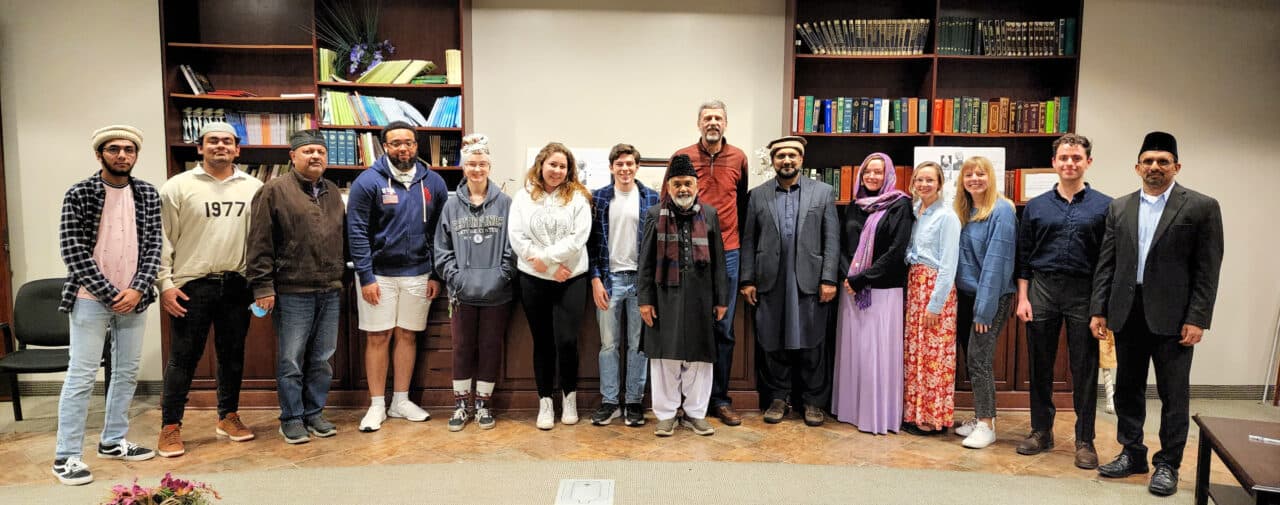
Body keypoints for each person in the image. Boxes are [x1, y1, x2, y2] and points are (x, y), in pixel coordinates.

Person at [1092, 131, 1223, 497]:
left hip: (1175, 318)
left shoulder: (1200, 207)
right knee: (1128, 390)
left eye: (1162, 161)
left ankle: (1167, 464)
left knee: (1173, 395)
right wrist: (1098, 309)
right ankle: (1132, 453)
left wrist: (1198, 318)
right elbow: (1108, 263)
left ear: (1176, 166)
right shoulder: (1119, 207)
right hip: (1126, 312)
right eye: (1148, 161)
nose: (1154, 167)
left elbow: (1207, 269)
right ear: (1137, 167)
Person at [51, 125, 162, 485]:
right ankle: (66, 456)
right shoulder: (80, 193)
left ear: (135, 155)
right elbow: (73, 252)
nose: (122, 155)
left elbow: (154, 248)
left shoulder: (146, 193)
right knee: (81, 377)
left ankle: (113, 441)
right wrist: (109, 292)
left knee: (126, 373)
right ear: (100, 154)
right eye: (113, 149)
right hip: (89, 299)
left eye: (129, 150)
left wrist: (136, 289)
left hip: (135, 298)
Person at [156, 121, 262, 457]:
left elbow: (260, 241)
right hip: (191, 286)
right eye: (212, 141)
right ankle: (170, 426)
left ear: (237, 149)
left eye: (227, 142)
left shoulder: (254, 187)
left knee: (232, 356)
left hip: (237, 285)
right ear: (199, 147)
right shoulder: (177, 187)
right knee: (183, 359)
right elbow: (162, 240)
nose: (220, 146)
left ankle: (228, 416)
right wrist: (165, 285)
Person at [1014, 133, 1111, 469]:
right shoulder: (1037, 206)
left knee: (1084, 369)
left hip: (1084, 293)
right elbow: (1024, 256)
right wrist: (1023, 298)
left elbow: (1106, 262)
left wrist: (1101, 307)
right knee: (1039, 366)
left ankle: (1085, 440)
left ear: (1088, 162)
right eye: (1064, 158)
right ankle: (1041, 430)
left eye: (1076, 158)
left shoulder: (1105, 206)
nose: (1070, 163)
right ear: (1054, 162)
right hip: (1042, 290)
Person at [347, 121, 449, 432]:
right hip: (378, 275)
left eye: (408, 142)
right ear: (385, 147)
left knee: (407, 334)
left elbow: (439, 232)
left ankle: (400, 401)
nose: (402, 148)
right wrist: (366, 277)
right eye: (395, 143)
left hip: (419, 274)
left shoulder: (434, 182)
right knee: (379, 336)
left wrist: (435, 274)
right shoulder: (367, 182)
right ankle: (377, 404)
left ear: (417, 146)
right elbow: (357, 232)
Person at [246, 130, 346, 444]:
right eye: (308, 151)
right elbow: (259, 243)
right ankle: (291, 417)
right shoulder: (273, 191)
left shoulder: (331, 190)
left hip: (330, 288)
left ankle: (314, 412)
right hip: (291, 291)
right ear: (292, 156)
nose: (315, 156)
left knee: (322, 358)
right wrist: (263, 287)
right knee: (291, 359)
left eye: (321, 151)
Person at [739, 136, 839, 427]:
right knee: (773, 342)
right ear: (773, 161)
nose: (787, 160)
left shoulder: (822, 192)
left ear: (801, 160)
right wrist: (747, 278)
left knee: (812, 344)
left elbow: (831, 239)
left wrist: (829, 278)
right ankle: (778, 398)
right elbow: (748, 241)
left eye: (792, 155)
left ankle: (813, 402)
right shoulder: (757, 195)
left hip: (809, 281)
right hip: (771, 281)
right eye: (781, 156)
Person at [637, 154, 729, 437]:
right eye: (677, 184)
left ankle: (695, 414)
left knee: (700, 359)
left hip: (701, 298)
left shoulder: (710, 215)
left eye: (688, 183)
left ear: (696, 185)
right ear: (668, 187)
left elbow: (719, 261)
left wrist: (721, 299)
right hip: (665, 297)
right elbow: (646, 262)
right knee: (665, 358)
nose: (683, 190)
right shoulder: (655, 215)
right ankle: (665, 414)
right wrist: (645, 300)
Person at [671, 100, 749, 427]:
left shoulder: (739, 158)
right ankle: (684, 402)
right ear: (699, 123)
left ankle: (719, 399)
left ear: (726, 124)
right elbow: (670, 200)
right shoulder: (683, 156)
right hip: (692, 251)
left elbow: (742, 203)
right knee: (687, 326)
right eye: (707, 118)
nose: (712, 122)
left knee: (723, 329)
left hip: (729, 252)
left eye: (718, 118)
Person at [433, 134, 516, 432]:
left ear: (490, 166)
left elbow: (513, 246)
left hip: (497, 292)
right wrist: (456, 278)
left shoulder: (506, 204)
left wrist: (502, 276)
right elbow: (441, 250)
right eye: (471, 164)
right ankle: (460, 404)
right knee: (462, 348)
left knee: (491, 347)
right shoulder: (451, 206)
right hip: (462, 294)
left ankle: (483, 405)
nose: (477, 169)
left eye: (482, 164)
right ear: (463, 167)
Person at [508, 142, 593, 430]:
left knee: (567, 341)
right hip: (533, 279)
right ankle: (545, 401)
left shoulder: (578, 198)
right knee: (542, 342)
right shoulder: (522, 197)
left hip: (571, 277)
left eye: (563, 166)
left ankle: (569, 397)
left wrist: (552, 264)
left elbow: (578, 238)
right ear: (541, 165)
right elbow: (517, 237)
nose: (557, 170)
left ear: (569, 170)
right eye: (552, 164)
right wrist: (541, 265)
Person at [831, 153, 913, 435]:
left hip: (882, 291)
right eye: (868, 172)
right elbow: (843, 245)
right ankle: (851, 411)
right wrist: (849, 277)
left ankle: (876, 415)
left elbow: (897, 251)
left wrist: (862, 278)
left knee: (875, 357)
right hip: (851, 290)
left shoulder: (900, 205)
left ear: (889, 174)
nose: (873, 177)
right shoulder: (854, 206)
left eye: (879, 172)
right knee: (855, 355)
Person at [588, 143, 660, 427]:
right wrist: (595, 278)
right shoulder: (599, 198)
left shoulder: (651, 197)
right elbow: (591, 244)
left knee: (638, 345)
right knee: (608, 345)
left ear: (637, 167)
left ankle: (633, 401)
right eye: (619, 164)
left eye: (630, 164)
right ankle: (609, 402)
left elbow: (656, 246)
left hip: (640, 282)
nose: (625, 169)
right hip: (609, 280)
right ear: (611, 168)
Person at [951, 156, 1017, 449]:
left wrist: (984, 310)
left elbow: (996, 264)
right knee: (972, 358)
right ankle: (979, 417)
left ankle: (987, 424)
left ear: (990, 177)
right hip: (964, 295)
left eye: (981, 174)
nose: (975, 179)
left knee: (979, 360)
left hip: (989, 298)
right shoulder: (964, 209)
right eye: (969, 175)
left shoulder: (1001, 210)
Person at [902, 161, 961, 436]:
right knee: (916, 352)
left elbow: (949, 265)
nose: (924, 185)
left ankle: (932, 417)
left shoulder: (947, 216)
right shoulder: (915, 211)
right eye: (920, 180)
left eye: (930, 180)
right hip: (915, 285)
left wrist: (935, 304)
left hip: (935, 289)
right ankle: (914, 413)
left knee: (934, 356)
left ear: (939, 183)